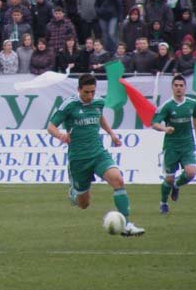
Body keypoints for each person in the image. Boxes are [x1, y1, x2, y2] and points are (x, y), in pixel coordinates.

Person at [47, 74, 145, 236]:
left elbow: (100, 117)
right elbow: (51, 126)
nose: (90, 96)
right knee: (83, 204)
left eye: (92, 92)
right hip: (78, 159)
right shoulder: (69, 105)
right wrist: (60, 135)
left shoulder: (98, 102)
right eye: (86, 92)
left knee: (118, 180)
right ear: (79, 89)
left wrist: (111, 133)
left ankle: (127, 225)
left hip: (98, 153)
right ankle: (74, 192)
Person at [152, 75, 196, 214]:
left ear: (185, 87)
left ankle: (177, 185)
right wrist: (165, 129)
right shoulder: (167, 106)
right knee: (168, 178)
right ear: (172, 87)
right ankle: (163, 202)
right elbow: (154, 123)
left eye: (181, 85)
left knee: (191, 173)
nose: (179, 88)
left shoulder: (193, 103)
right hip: (171, 146)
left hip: (187, 144)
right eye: (176, 85)